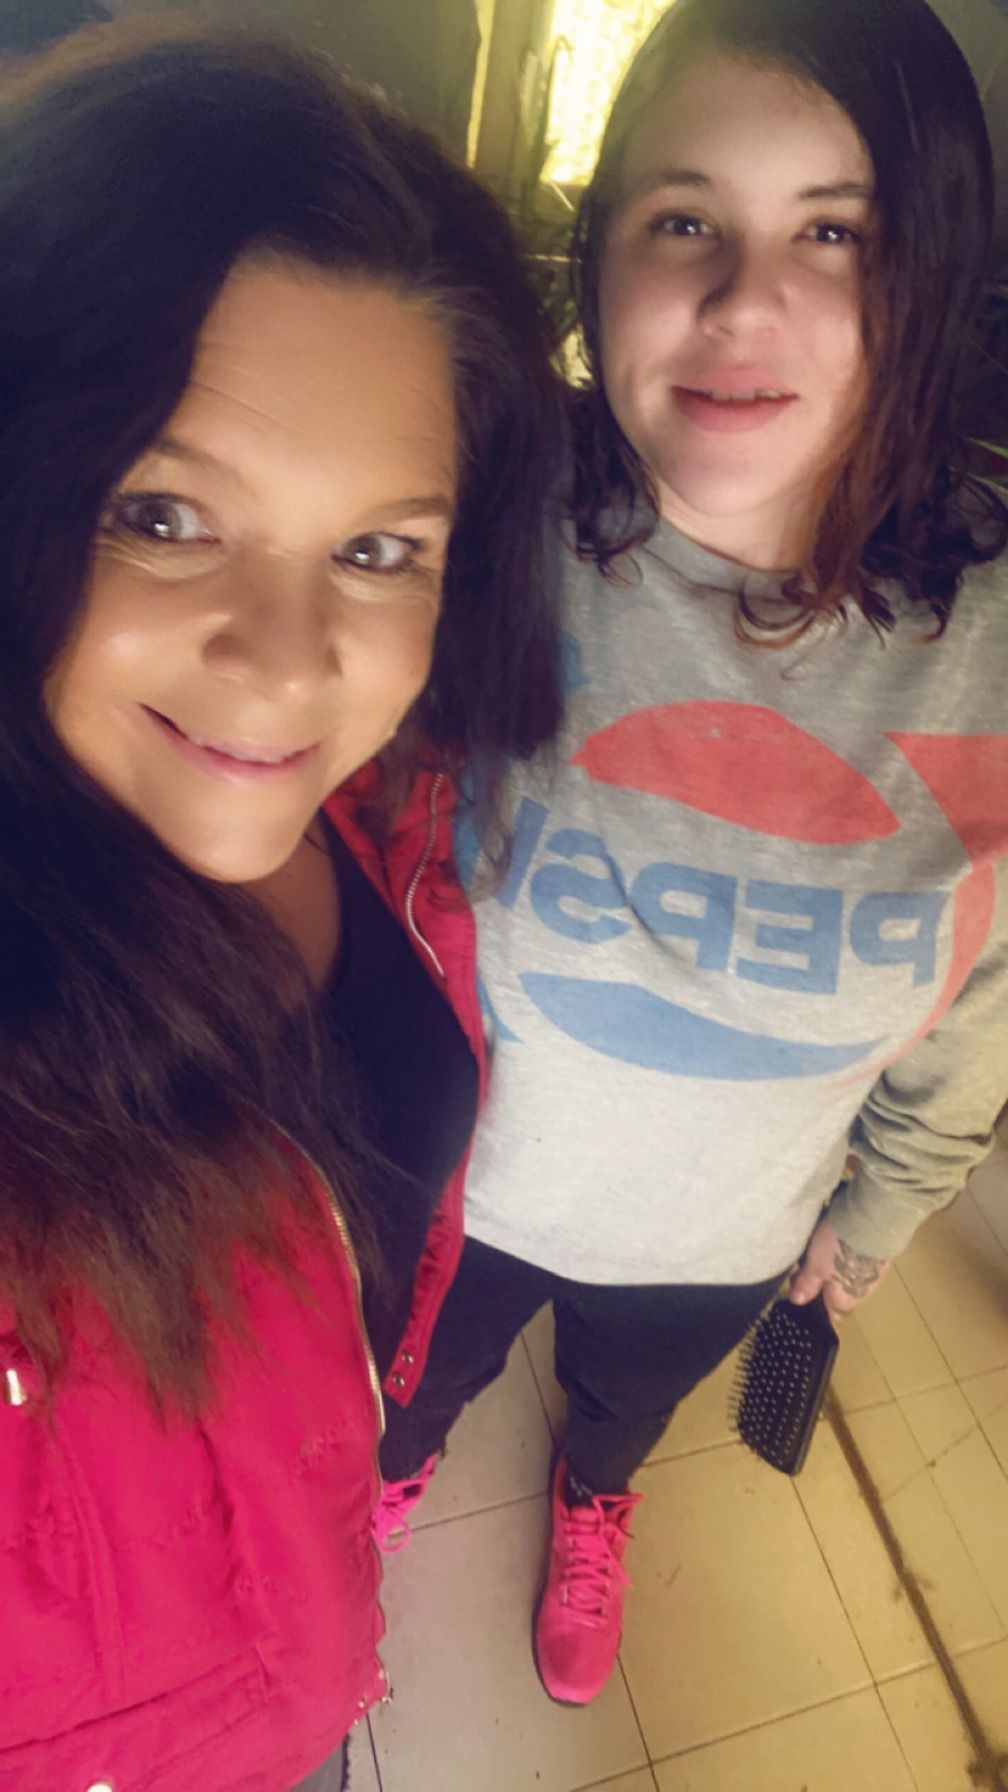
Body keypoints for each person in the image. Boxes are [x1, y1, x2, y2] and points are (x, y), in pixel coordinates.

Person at [374, 0, 1008, 1709]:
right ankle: (382, 1486)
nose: (740, 303)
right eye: (683, 220)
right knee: (400, 1401)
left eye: (833, 232)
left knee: (622, 1408)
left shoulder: (997, 648)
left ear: (934, 268)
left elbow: (984, 989)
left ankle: (594, 1498)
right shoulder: (472, 528)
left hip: (721, 1231)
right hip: (447, 1195)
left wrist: (882, 1214)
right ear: (600, 252)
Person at [0, 24, 560, 1792]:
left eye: (379, 548)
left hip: (306, 1626)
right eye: (165, 514)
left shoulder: (381, 809)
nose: (292, 662)